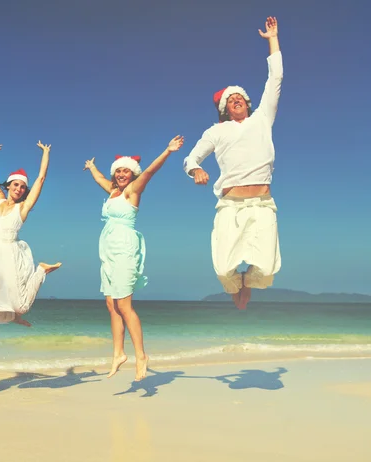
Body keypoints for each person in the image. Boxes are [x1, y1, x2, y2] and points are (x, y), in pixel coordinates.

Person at [183, 17, 283, 310]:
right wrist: (196, 169)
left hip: (263, 204)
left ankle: (248, 283)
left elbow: (275, 79)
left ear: (248, 103)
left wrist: (272, 40)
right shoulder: (216, 131)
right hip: (230, 206)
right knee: (222, 268)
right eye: (230, 99)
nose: (236, 100)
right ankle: (235, 285)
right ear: (224, 108)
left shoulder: (262, 119)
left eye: (240, 97)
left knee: (266, 268)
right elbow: (191, 158)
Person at [84, 135, 185, 381]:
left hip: (125, 248)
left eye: (125, 171)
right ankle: (118, 353)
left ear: (132, 174)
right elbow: (99, 178)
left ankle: (141, 355)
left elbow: (149, 171)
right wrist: (92, 167)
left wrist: (167, 151)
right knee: (111, 305)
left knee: (125, 305)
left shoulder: (132, 191)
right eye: (117, 171)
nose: (121, 174)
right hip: (108, 250)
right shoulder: (112, 191)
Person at [0, 141, 61, 326]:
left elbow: (40, 179)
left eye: (22, 187)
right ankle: (14, 318)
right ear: (8, 185)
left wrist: (46, 153)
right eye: (15, 185)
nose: (19, 189)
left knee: (22, 306)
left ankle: (41, 270)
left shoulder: (23, 208)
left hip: (10, 255)